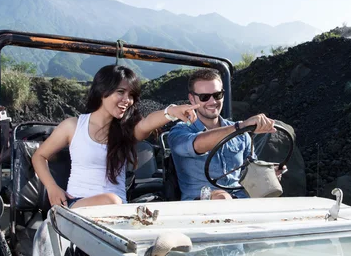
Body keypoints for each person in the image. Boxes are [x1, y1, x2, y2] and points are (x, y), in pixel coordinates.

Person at [32, 64, 199, 208]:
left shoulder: (126, 130)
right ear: (103, 90)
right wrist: (52, 187)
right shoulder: (73, 126)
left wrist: (171, 112)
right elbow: (39, 155)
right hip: (78, 205)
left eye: (131, 95)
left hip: (116, 211)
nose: (127, 100)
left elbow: (148, 123)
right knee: (111, 200)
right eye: (121, 92)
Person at [168, 68, 286, 201]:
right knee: (221, 198)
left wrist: (268, 173)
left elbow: (249, 169)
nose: (212, 102)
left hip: (240, 201)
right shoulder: (180, 131)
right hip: (198, 206)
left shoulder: (241, 134)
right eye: (204, 97)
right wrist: (239, 127)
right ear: (192, 99)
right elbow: (197, 144)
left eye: (217, 95)